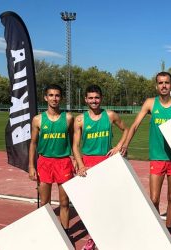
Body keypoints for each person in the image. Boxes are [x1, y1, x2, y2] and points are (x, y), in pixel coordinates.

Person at [121, 71, 171, 232]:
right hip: (157, 158)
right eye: (160, 83)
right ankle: (157, 231)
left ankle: (169, 231)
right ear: (156, 85)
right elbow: (135, 125)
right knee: (154, 199)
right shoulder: (150, 103)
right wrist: (125, 144)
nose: (164, 85)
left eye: (166, 83)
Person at [28, 84, 75, 235]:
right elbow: (33, 143)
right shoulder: (38, 120)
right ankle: (46, 232)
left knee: (64, 203)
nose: (54, 98)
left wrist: (75, 159)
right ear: (45, 97)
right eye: (51, 95)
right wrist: (31, 166)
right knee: (44, 203)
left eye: (57, 95)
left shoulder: (68, 118)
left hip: (64, 163)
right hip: (44, 163)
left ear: (60, 98)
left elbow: (74, 141)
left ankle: (66, 234)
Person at [73, 84, 129, 175]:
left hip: (107, 159)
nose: (94, 101)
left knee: (109, 188)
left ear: (101, 98)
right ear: (86, 99)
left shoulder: (110, 115)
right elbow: (75, 145)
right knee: (91, 189)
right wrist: (80, 164)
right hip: (87, 161)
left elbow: (126, 130)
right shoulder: (80, 120)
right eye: (90, 98)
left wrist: (119, 146)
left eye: (97, 97)